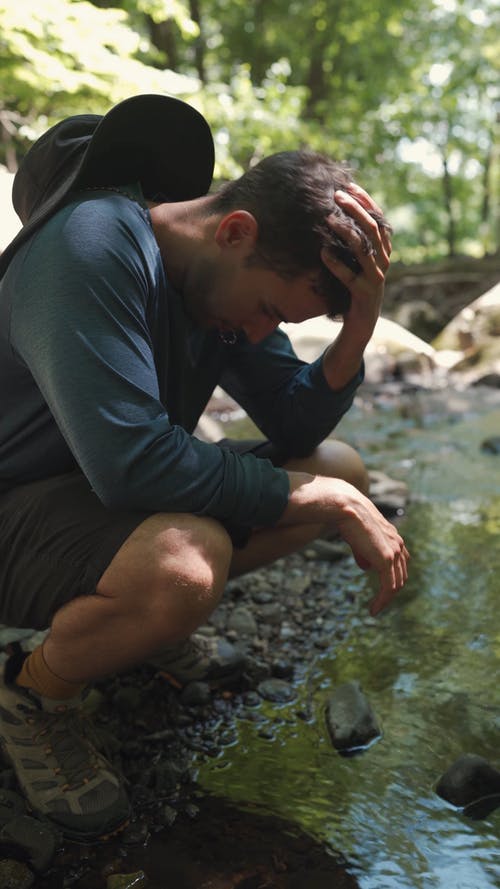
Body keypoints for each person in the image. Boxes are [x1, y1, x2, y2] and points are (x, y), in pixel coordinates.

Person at [0, 93, 409, 841]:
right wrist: (333, 506)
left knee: (338, 467)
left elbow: (292, 424)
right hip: (15, 508)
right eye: (267, 312)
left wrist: (359, 324)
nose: (259, 334)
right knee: (188, 563)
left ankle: (137, 631)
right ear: (234, 230)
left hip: (90, 494)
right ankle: (33, 693)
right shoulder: (90, 244)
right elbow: (132, 466)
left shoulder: (216, 279)